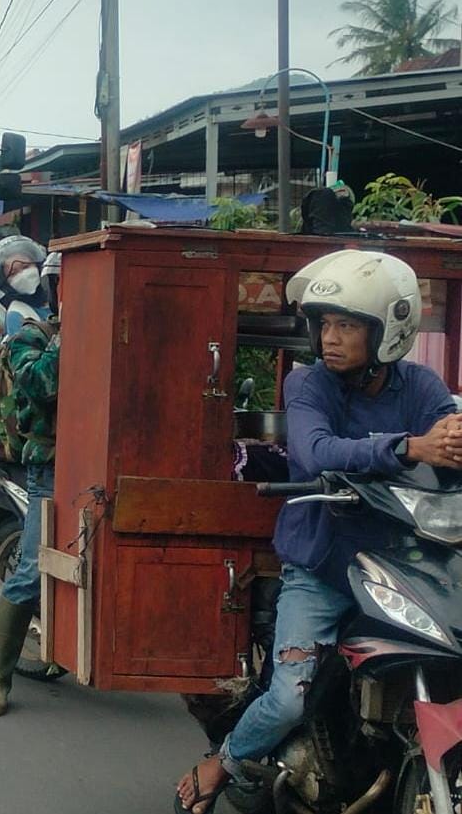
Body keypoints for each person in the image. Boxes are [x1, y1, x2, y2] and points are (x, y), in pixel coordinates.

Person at [175, 249, 462, 813]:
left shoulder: (422, 387)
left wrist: (452, 440)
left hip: (404, 564)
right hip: (323, 566)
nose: (330, 337)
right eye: (325, 324)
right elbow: (313, 452)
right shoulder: (310, 386)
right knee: (288, 698)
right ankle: (222, 763)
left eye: (348, 325)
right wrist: (409, 447)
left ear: (389, 330)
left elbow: (446, 437)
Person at [0, 254, 61, 718]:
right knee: (33, 568)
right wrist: (72, 334)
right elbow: (41, 385)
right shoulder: (34, 337)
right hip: (50, 467)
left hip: (109, 468)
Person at [0, 236, 49, 332]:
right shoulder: (17, 314)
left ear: (38, 265)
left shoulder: (59, 296)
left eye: (25, 267)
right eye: (13, 273)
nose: (22, 275)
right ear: (6, 283)